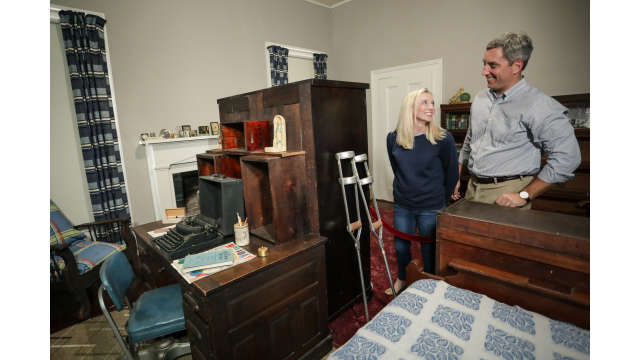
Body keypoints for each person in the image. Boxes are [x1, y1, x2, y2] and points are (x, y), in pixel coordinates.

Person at [452, 32, 581, 207]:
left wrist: (525, 195)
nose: (484, 71)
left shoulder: (539, 105)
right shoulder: (480, 98)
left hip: (506, 195)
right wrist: (456, 176)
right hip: (472, 188)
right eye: (484, 64)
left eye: (492, 65)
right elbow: (470, 140)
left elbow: (567, 158)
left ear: (516, 66)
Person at [386, 88, 458, 295]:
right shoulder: (393, 138)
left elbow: (451, 173)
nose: (431, 108)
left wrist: (440, 201)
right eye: (425, 102)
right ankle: (402, 278)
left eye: (432, 103)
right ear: (410, 107)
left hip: (431, 205)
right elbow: (397, 168)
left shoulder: (444, 139)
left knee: (429, 249)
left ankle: (428, 285)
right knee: (401, 247)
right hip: (403, 205)